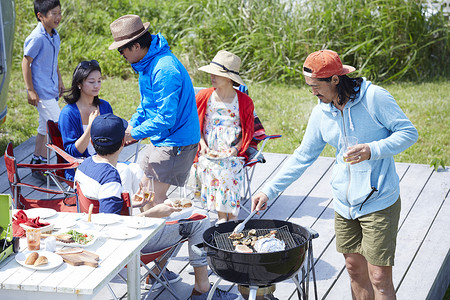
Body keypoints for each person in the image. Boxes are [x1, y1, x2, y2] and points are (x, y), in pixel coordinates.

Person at [252, 50, 418, 300]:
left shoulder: (374, 98)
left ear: (335, 80)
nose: (313, 93)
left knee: (379, 278)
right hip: (344, 204)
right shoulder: (321, 113)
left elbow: (408, 132)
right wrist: (268, 189)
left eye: (316, 86)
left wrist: (372, 150)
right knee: (354, 270)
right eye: (309, 86)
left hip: (379, 199)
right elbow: (302, 156)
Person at [75, 113, 238, 300]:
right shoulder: (110, 178)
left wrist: (129, 203)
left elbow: (101, 210)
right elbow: (111, 226)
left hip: (97, 243)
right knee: (198, 221)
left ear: (93, 141)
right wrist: (154, 213)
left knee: (175, 219)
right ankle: (201, 288)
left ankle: (156, 273)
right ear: (122, 143)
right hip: (124, 249)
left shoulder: (85, 166)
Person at [108, 15, 200, 206]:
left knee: (153, 201)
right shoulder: (146, 64)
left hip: (177, 141)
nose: (121, 54)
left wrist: (134, 133)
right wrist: (132, 124)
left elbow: (166, 119)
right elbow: (146, 105)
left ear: (135, 46)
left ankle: (181, 231)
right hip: (161, 138)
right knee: (141, 195)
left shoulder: (164, 69)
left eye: (121, 49)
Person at [59, 60, 142, 195]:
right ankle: (123, 210)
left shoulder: (104, 106)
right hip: (82, 167)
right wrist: (91, 126)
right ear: (79, 84)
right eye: (91, 82)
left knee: (137, 170)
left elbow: (114, 138)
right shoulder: (68, 113)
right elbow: (73, 153)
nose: (97, 85)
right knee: (125, 172)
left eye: (99, 81)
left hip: (108, 161)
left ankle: (136, 209)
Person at [192, 50, 254, 223]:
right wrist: (202, 144)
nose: (212, 76)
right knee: (212, 167)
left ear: (228, 78)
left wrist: (236, 149)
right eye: (212, 72)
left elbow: (248, 131)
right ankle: (224, 218)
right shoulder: (204, 96)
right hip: (208, 151)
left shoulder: (243, 101)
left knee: (229, 169)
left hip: (233, 151)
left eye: (217, 73)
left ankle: (230, 218)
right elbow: (195, 125)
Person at [22, 0, 64, 182]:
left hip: (51, 89)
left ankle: (38, 164)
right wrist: (30, 90)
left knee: (43, 128)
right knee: (59, 126)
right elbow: (26, 62)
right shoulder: (36, 37)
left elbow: (53, 61)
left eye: (59, 13)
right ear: (40, 16)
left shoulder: (55, 35)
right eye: (53, 13)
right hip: (42, 93)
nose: (58, 17)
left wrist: (60, 81)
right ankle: (63, 169)